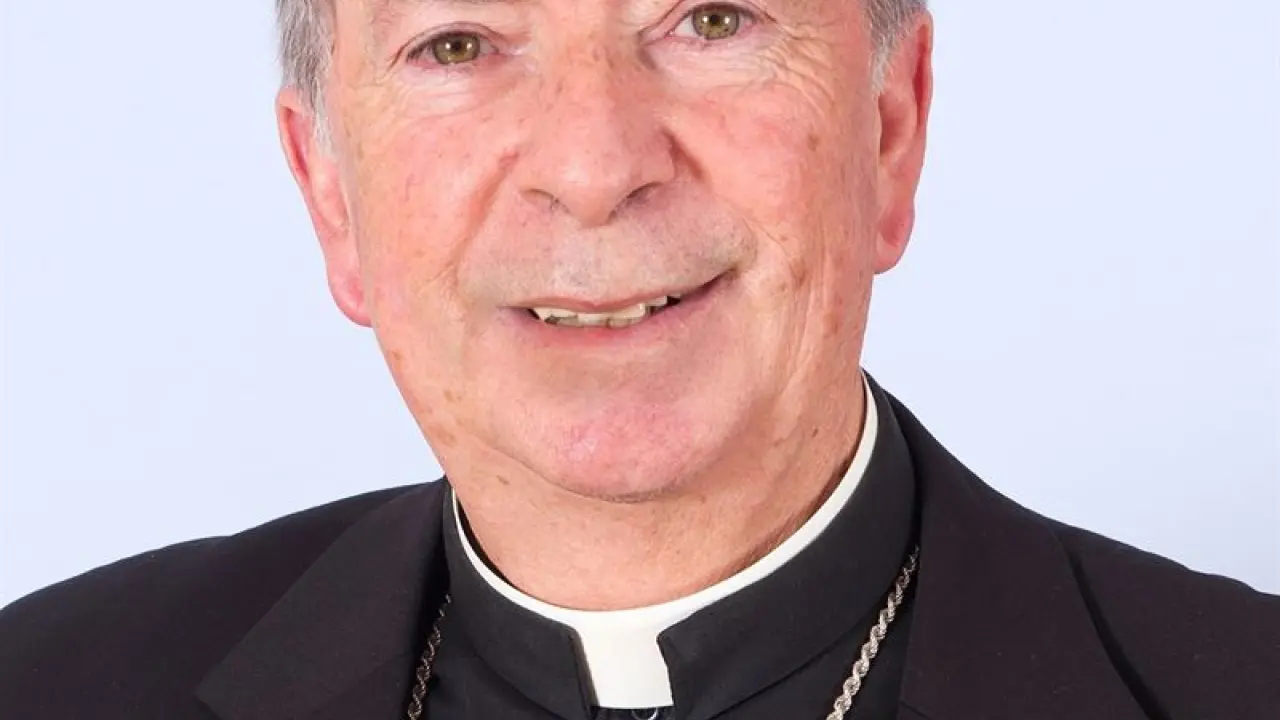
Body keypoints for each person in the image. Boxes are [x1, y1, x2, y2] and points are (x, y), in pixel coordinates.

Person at [2, 0, 1277, 717]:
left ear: (888, 131)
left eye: (708, 18)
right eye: (458, 44)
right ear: (329, 193)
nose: (595, 166)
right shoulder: (53, 685)